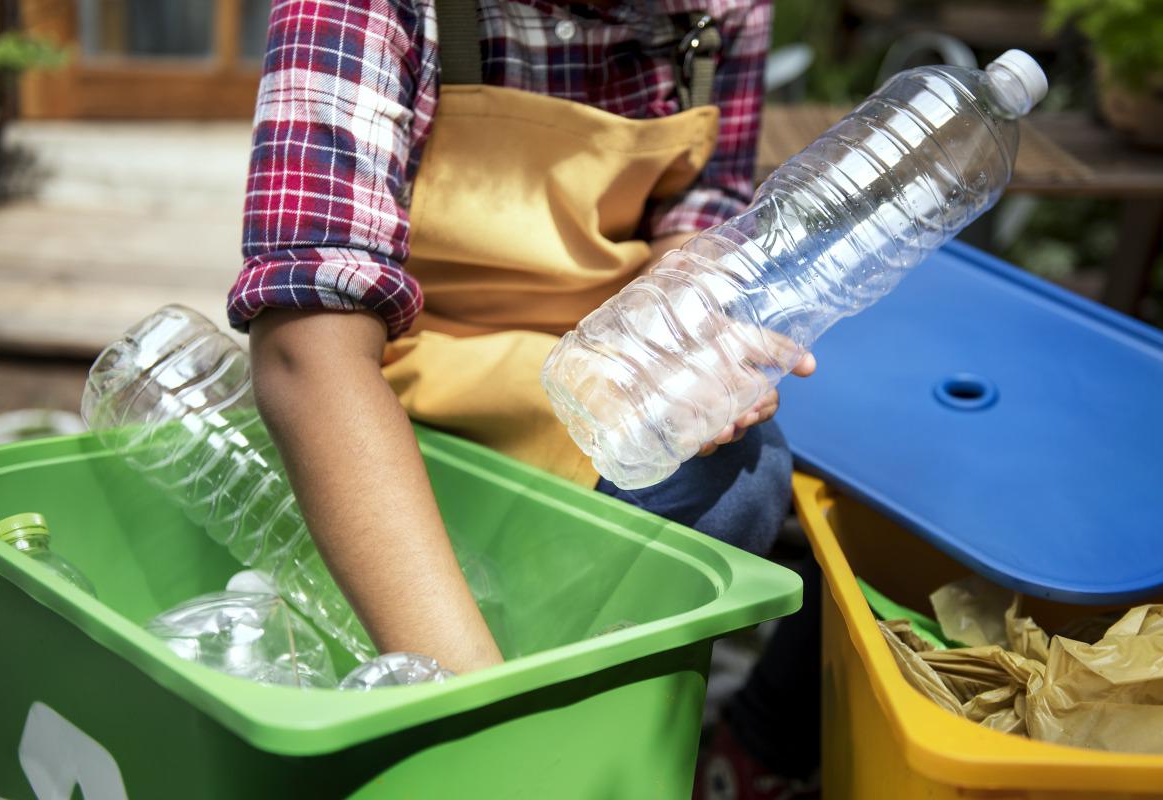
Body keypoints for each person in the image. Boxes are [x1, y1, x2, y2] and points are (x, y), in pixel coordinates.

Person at [228, 0, 818, 795]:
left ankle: (593, 743)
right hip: (396, 387)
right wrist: (483, 719)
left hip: (591, 376)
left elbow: (700, 208)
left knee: (740, 475)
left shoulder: (717, 11)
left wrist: (685, 331)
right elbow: (309, 350)